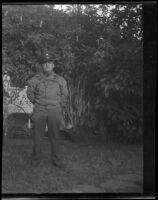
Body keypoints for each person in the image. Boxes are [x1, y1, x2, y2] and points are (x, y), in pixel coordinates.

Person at [27, 52, 68, 168]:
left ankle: (56, 160)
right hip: (40, 110)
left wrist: (59, 106)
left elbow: (64, 95)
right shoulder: (35, 80)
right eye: (45, 63)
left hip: (55, 110)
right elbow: (29, 93)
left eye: (49, 63)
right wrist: (37, 103)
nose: (47, 65)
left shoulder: (60, 80)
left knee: (55, 135)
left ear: (53, 65)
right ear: (42, 66)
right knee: (37, 136)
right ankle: (36, 159)